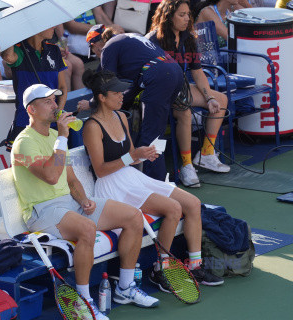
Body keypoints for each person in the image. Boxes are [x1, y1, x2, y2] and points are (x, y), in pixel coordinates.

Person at [11, 83, 160, 320]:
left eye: (54, 100)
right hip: (42, 211)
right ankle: (83, 302)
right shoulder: (24, 142)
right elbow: (51, 177)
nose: (55, 105)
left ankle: (125, 287)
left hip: (69, 205)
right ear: (31, 109)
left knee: (133, 216)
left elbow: (70, 180)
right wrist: (62, 137)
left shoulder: (53, 135)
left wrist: (84, 200)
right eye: (48, 101)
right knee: (87, 228)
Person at [82, 69, 224, 292]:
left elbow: (129, 154)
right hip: (112, 185)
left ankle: (195, 265)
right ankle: (162, 269)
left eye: (122, 91)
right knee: (174, 209)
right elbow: (100, 170)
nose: (122, 95)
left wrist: (142, 154)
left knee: (193, 204)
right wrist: (133, 156)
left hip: (130, 177)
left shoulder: (121, 117)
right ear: (101, 97)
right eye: (116, 92)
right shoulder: (91, 127)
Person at [84, 25, 184, 181]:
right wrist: (122, 99)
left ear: (96, 45)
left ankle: (155, 184)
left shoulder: (108, 49)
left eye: (95, 51)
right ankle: (159, 181)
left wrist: (91, 104)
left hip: (160, 76)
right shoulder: (131, 36)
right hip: (175, 71)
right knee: (155, 133)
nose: (97, 55)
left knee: (150, 137)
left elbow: (108, 84)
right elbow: (135, 85)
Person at [147, 0, 230, 187]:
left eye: (188, 15)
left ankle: (207, 154)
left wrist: (208, 97)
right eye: (181, 15)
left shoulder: (188, 38)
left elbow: (197, 72)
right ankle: (186, 166)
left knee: (221, 100)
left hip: (181, 87)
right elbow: (146, 73)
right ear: (169, 17)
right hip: (158, 92)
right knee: (184, 111)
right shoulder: (153, 40)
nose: (186, 19)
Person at [1, 27, 68, 149]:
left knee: (60, 160)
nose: (53, 27)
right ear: (35, 26)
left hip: (53, 123)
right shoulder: (18, 51)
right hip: (25, 123)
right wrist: (10, 28)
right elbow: (7, 56)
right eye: (49, 24)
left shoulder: (54, 50)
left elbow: (63, 87)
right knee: (36, 165)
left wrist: (58, 113)